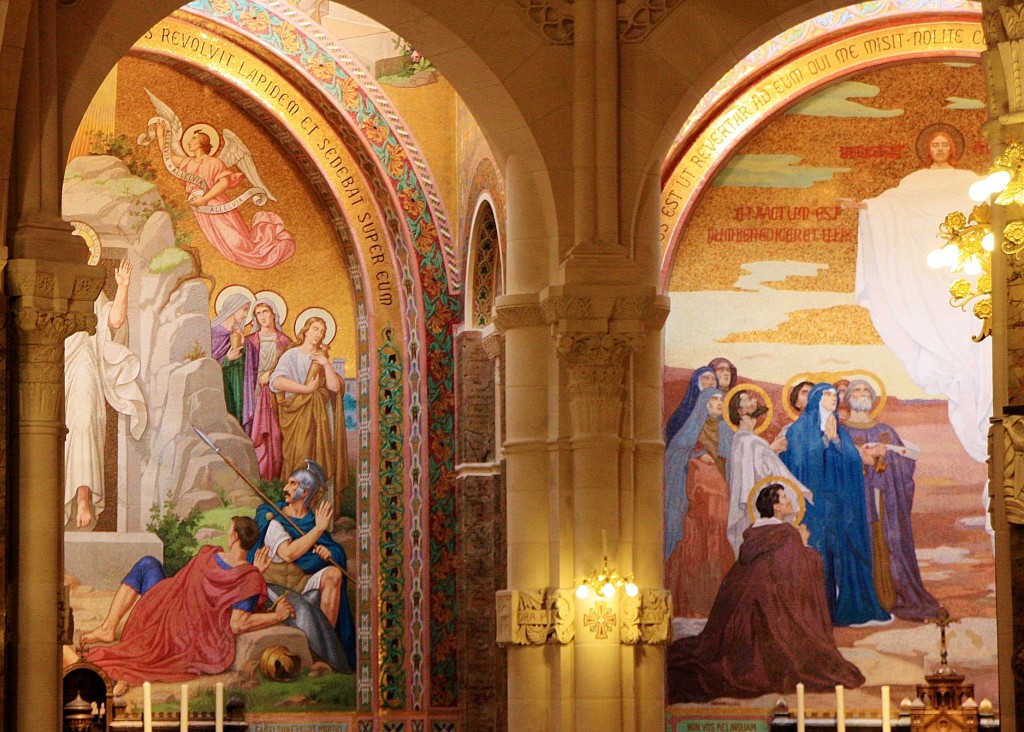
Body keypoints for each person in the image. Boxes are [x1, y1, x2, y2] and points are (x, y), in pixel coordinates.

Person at [841, 125, 989, 464]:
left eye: (944, 144)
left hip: (960, 268)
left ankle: (969, 377)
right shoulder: (913, 184)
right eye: (934, 144)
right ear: (928, 149)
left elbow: (985, 205)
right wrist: (864, 207)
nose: (939, 148)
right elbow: (889, 206)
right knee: (926, 314)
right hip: (924, 271)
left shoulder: (968, 180)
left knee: (965, 323)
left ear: (953, 149)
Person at [667, 483, 864, 703]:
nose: (790, 501)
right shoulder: (786, 534)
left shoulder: (755, 534)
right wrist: (805, 544)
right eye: (785, 497)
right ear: (776, 506)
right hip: (769, 614)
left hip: (742, 613)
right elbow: (796, 576)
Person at [78, 516, 294, 684]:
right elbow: (237, 607)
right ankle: (107, 629)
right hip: (174, 610)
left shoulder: (210, 555)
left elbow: (237, 624)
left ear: (235, 537)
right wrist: (257, 577)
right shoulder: (249, 576)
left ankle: (108, 628)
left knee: (146, 565)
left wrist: (276, 613)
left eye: (230, 530)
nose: (228, 534)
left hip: (172, 619)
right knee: (148, 564)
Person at [780, 383, 890, 626]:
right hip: (814, 505)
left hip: (839, 504)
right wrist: (825, 443)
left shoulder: (839, 430)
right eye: (827, 394)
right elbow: (798, 465)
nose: (833, 398)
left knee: (842, 552)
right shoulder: (798, 430)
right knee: (817, 554)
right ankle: (818, 613)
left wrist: (837, 443)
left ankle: (846, 608)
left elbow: (852, 461)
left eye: (834, 394)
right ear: (816, 399)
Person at [843, 379, 939, 621]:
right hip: (855, 500)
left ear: (874, 398)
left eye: (866, 390)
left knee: (886, 541)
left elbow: (905, 466)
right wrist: (861, 458)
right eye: (857, 389)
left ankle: (889, 596)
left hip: (882, 499)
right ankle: (866, 600)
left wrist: (887, 457)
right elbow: (835, 465)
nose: (862, 393)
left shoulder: (885, 430)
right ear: (848, 398)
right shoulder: (841, 431)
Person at [64, 259, 148, 529]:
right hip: (49, 367)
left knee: (84, 423)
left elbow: (114, 320)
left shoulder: (90, 291)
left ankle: (82, 498)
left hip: (82, 367)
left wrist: (123, 287)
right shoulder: (47, 284)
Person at [249, 460, 356, 670]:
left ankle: (321, 658)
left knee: (333, 574)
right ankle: (323, 653)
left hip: (300, 585)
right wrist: (317, 530)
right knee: (302, 607)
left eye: (292, 484)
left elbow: (334, 551)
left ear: (305, 491)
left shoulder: (312, 521)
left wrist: (328, 552)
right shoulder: (272, 516)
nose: (285, 489)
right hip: (273, 587)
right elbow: (288, 553)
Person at [154, 121, 296, 269]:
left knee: (235, 241)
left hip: (216, 205)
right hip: (202, 212)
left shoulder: (214, 163)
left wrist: (203, 199)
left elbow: (223, 184)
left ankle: (262, 253)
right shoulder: (188, 162)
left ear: (202, 143)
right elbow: (168, 158)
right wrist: (160, 135)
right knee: (222, 243)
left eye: (194, 138)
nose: (189, 141)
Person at [664, 388, 735, 616]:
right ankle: (694, 608)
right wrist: (695, 455)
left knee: (717, 551)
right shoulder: (691, 429)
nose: (718, 403)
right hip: (696, 510)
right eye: (713, 399)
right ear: (703, 402)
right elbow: (675, 455)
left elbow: (736, 461)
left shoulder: (727, 431)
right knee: (697, 554)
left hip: (722, 505)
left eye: (722, 400)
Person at [725, 388, 809, 557]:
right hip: (755, 509)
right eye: (747, 399)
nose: (754, 400)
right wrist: (772, 449)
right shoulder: (745, 441)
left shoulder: (751, 440)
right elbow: (752, 482)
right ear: (740, 411)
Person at [270, 316, 344, 489]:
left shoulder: (321, 358)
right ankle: (294, 499)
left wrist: (326, 364)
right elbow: (276, 382)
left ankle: (317, 502)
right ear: (305, 330)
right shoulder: (291, 355)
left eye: (322, 332)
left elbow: (334, 388)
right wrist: (305, 390)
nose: (319, 334)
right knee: (298, 456)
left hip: (318, 417)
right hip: (296, 414)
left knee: (318, 456)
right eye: (315, 329)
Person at [246, 298, 292, 480]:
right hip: (255, 394)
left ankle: (274, 478)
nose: (262, 316)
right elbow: (244, 371)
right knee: (258, 435)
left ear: (274, 314)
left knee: (276, 436)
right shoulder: (250, 341)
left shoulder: (285, 341)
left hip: (277, 395)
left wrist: (271, 374)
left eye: (265, 311)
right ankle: (258, 476)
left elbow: (290, 368)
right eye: (258, 313)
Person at [210, 293, 252, 429]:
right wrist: (227, 359)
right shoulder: (214, 333)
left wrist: (243, 344)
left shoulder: (238, 333)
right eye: (244, 309)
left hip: (236, 383)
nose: (246, 314)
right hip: (219, 383)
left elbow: (243, 362)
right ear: (234, 307)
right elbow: (207, 362)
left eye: (247, 310)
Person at [664, 365, 717, 445]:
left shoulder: (720, 408)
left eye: (713, 379)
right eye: (706, 378)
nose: (711, 382)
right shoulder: (685, 411)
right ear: (696, 382)